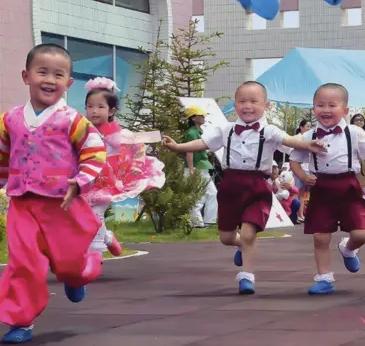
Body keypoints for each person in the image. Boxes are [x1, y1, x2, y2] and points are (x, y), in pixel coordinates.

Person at [162, 81, 325, 295]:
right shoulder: (226, 129)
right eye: (242, 101)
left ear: (265, 105)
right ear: (235, 104)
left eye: (253, 101)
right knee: (227, 237)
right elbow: (203, 143)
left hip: (257, 186)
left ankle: (247, 276)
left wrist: (308, 144)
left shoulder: (269, 130)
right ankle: (239, 245)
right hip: (231, 185)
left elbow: (289, 140)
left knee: (249, 232)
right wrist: (176, 146)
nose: (247, 106)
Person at [0, 44, 107, 344]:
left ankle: (77, 276)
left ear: (68, 83)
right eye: (42, 72)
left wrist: (80, 181)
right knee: (23, 263)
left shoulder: (72, 120)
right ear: (26, 76)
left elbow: (94, 152)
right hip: (22, 203)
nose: (49, 79)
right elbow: (2, 154)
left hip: (63, 204)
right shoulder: (9, 119)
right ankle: (21, 321)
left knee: (69, 262)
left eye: (58, 74)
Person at [289, 84, 365, 296]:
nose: (326, 110)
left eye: (332, 105)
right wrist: (304, 177)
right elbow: (294, 160)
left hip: (348, 186)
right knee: (320, 237)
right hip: (321, 187)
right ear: (313, 108)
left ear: (345, 109)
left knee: (360, 234)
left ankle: (348, 248)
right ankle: (324, 278)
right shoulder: (309, 135)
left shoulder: (354, 132)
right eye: (320, 105)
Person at [84, 77, 165, 256]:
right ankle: (107, 238)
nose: (94, 111)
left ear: (111, 110)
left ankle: (95, 254)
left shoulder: (119, 134)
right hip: (86, 180)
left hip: (107, 182)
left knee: (96, 213)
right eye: (90, 106)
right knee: (82, 216)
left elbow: (138, 149)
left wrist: (135, 168)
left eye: (100, 106)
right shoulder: (82, 130)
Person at [183, 106, 218, 228]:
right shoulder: (192, 133)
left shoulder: (199, 132)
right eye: (200, 115)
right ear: (193, 118)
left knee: (212, 193)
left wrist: (207, 153)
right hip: (195, 168)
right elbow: (189, 151)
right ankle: (196, 223)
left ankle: (210, 221)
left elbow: (198, 150)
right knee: (197, 196)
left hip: (202, 167)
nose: (203, 117)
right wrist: (191, 168)